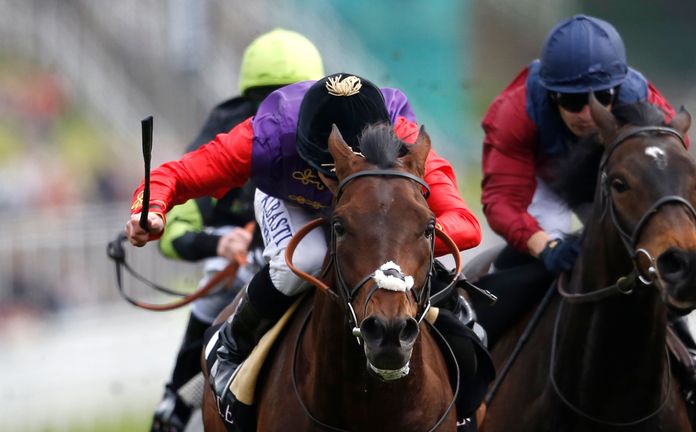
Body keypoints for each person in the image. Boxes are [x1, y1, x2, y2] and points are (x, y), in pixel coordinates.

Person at [126, 72, 491, 431]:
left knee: (404, 261)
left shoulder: (404, 139)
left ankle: (468, 363)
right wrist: (151, 210)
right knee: (305, 259)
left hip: (376, 214)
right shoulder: (267, 136)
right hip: (291, 202)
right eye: (329, 170)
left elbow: (465, 224)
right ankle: (231, 344)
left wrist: (397, 240)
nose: (334, 181)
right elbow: (176, 174)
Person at [479, 13, 696, 421]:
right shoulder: (515, 110)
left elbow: (672, 164)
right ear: (551, 95)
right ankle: (475, 350)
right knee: (543, 254)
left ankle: (691, 361)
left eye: (601, 97)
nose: (587, 112)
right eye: (572, 101)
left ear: (618, 88)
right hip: (543, 180)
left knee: (644, 265)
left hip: (617, 176)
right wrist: (545, 245)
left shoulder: (643, 100)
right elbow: (503, 200)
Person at [149, 28, 325, 432]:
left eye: (292, 97)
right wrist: (219, 242)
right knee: (216, 282)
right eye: (265, 100)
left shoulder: (331, 126)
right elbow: (175, 229)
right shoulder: (224, 133)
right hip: (249, 265)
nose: (279, 112)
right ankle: (175, 403)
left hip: (322, 247)